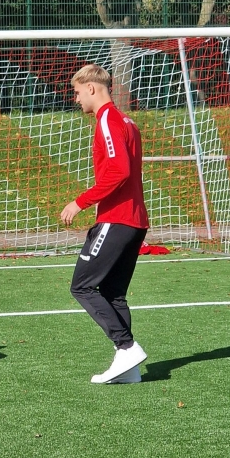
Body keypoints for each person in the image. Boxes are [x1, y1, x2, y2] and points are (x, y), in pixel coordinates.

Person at [60, 64, 149, 384]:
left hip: (118, 218)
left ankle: (127, 347)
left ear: (91, 88)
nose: (76, 98)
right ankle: (129, 369)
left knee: (81, 286)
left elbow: (119, 171)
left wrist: (80, 202)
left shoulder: (108, 119)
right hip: (135, 221)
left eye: (77, 92)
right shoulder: (126, 121)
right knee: (113, 293)